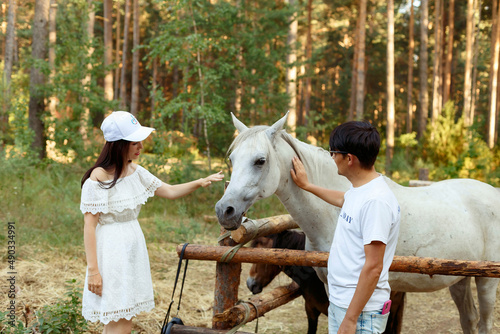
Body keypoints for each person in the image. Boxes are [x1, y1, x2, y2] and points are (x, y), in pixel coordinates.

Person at [80, 111, 224, 333]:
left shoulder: (135, 171)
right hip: (111, 251)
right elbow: (89, 226)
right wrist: (93, 271)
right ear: (119, 144)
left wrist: (200, 181)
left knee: (124, 318)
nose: (140, 147)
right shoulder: (98, 177)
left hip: (132, 248)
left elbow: (169, 190)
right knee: (119, 318)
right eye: (134, 142)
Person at [290, 121, 400, 334]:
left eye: (333, 152)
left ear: (349, 158)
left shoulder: (376, 201)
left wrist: (350, 319)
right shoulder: (361, 190)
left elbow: (374, 267)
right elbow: (344, 199)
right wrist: (307, 186)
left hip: (360, 314)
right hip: (344, 304)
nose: (332, 158)